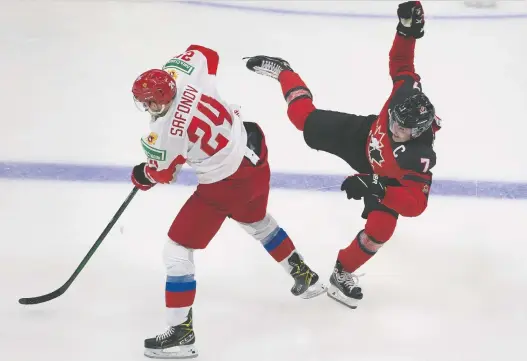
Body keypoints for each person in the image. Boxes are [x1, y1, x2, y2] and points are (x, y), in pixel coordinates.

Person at [130, 45, 327, 359]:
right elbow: (204, 53)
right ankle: (303, 274)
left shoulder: (161, 134)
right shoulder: (185, 77)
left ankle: (181, 334)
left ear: (161, 98)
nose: (147, 106)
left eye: (149, 101)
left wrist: (142, 174)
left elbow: (161, 174)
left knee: (177, 251)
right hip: (253, 154)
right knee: (256, 222)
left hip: (225, 184)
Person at [243, 1, 441, 309]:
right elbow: (401, 62)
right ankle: (284, 71)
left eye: (403, 129)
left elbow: (416, 204)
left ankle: (342, 271)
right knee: (302, 118)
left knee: (381, 229)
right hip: (362, 135)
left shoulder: (420, 155)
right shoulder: (405, 93)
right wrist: (407, 31)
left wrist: (378, 186)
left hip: (388, 179)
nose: (395, 128)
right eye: (394, 121)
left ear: (418, 132)